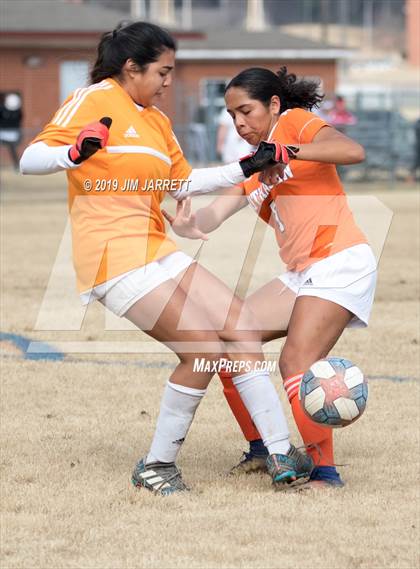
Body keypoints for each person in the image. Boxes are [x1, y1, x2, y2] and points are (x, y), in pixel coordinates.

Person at [19, 24, 314, 495]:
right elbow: (30, 158)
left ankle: (280, 453)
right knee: (202, 351)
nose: (168, 81)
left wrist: (250, 165)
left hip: (156, 248)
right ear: (131, 67)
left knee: (238, 324)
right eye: (163, 71)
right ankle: (157, 465)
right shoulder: (94, 99)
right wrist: (73, 154)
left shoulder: (157, 121)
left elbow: (182, 184)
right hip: (112, 257)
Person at [163, 66, 376, 488]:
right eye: (233, 115)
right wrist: (188, 224)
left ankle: (325, 475)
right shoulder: (254, 165)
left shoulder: (293, 124)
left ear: (274, 105)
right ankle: (264, 451)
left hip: (340, 262)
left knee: (295, 361)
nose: (240, 122)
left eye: (247, 111)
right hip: (300, 273)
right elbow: (213, 214)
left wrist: (288, 151)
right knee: (228, 341)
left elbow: (352, 151)